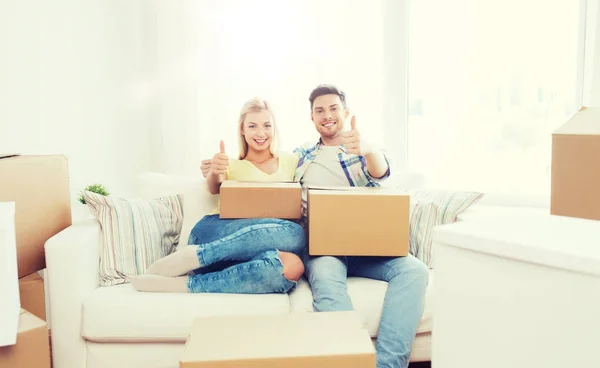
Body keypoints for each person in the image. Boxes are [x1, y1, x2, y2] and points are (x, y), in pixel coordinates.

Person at [200, 86, 429, 368]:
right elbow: (259, 181)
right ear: (311, 117)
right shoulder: (300, 157)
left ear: (345, 113)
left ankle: (388, 365)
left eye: (334, 108)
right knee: (327, 281)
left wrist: (368, 150)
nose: (327, 115)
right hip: (325, 247)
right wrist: (213, 170)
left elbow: (381, 171)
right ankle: (352, 361)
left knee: (415, 270)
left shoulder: (362, 151)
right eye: (320, 110)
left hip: (370, 246)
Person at [131, 97, 306, 295]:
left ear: (274, 128)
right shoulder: (229, 164)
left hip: (252, 251)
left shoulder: (291, 160)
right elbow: (215, 185)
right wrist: (215, 170)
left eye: (267, 125)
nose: (260, 133)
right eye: (252, 126)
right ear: (242, 129)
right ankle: (197, 255)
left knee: (292, 266)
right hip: (214, 233)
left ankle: (188, 285)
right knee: (296, 234)